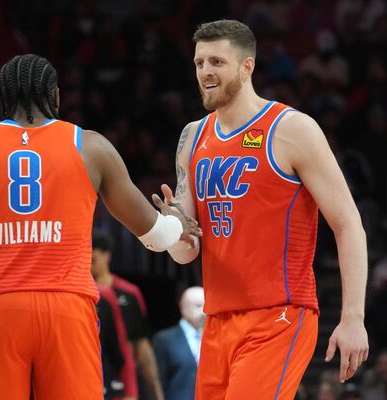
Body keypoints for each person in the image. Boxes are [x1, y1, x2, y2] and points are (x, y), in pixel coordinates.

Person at [0, 53, 200, 399]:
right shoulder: (90, 146)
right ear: (56, 96)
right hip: (67, 307)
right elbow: (155, 235)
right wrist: (177, 221)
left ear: (4, 99)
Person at [160, 20, 369, 399]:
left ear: (247, 66)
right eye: (199, 62)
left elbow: (348, 223)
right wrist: (165, 229)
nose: (205, 71)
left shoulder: (292, 129)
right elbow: (186, 249)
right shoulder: (192, 135)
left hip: (279, 315)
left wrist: (353, 316)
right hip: (218, 319)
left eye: (217, 62)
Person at [92, 228, 165, 400]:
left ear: (106, 255)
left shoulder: (129, 293)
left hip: (121, 380)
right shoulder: (79, 294)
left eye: (92, 260)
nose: (88, 264)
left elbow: (141, 346)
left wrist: (156, 393)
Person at [153, 286, 205, 400]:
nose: (203, 312)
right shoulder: (164, 340)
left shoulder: (214, 339)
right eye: (197, 306)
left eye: (205, 306)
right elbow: (157, 381)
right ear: (183, 307)